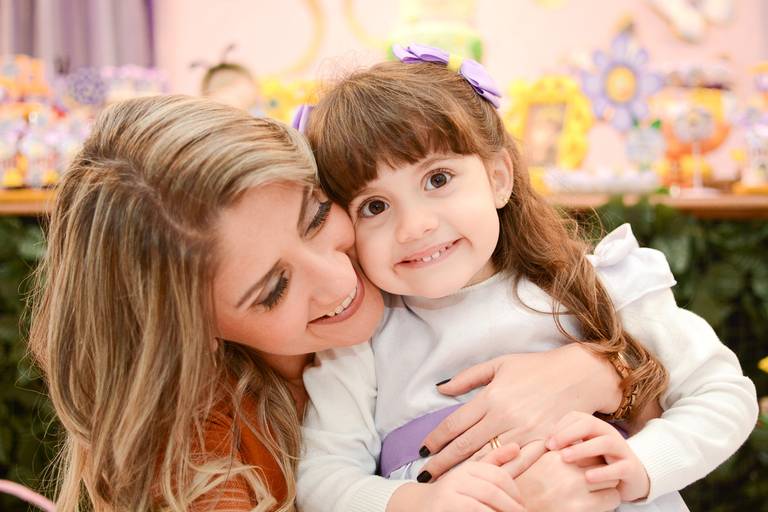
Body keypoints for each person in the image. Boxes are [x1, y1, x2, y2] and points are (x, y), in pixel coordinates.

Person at [27, 94, 636, 511]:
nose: (338, 277)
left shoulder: (422, 268)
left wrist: (605, 371)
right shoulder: (210, 472)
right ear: (192, 332)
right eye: (274, 289)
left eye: (317, 216)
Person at [296, 44, 758, 512]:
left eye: (438, 179)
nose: (415, 226)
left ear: (498, 177)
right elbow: (322, 475)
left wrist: (639, 465)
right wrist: (417, 501)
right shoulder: (360, 339)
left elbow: (721, 393)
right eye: (375, 206)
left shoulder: (597, 284)